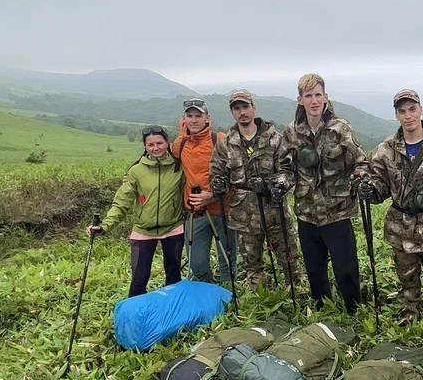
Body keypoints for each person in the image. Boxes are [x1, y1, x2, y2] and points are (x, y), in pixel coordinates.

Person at [356, 89, 423, 327]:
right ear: (396, 115)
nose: (408, 116)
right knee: (407, 280)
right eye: (402, 111)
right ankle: (410, 316)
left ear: (421, 110)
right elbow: (380, 188)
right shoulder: (386, 150)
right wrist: (368, 190)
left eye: (412, 109)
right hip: (401, 229)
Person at [280, 73, 366, 314]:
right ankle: (321, 310)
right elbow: (286, 168)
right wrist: (281, 182)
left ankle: (354, 310)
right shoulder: (292, 132)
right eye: (309, 96)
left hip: (337, 211)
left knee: (346, 267)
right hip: (306, 212)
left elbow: (360, 162)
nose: (314, 101)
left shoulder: (341, 128)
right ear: (300, 100)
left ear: (326, 97)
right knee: (315, 268)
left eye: (318, 95)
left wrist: (359, 177)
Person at [209, 90, 303, 292]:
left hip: (274, 210)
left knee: (289, 260)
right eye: (237, 108)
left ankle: (297, 296)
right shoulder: (225, 144)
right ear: (232, 112)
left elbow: (288, 171)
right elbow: (217, 172)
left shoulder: (275, 139)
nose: (242, 112)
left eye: (245, 107)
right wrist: (218, 184)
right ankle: (259, 301)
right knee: (252, 264)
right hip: (243, 214)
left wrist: (275, 185)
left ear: (254, 108)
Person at [87, 125, 186, 297]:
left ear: (167, 143)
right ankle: (134, 319)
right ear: (145, 146)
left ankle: (172, 318)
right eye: (151, 144)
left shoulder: (179, 167)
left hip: (173, 229)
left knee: (173, 276)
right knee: (139, 279)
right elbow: (121, 202)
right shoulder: (136, 171)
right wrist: (104, 226)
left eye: (159, 143)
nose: (156, 148)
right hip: (143, 231)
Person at [169, 98, 236, 284]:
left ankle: (228, 297)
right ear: (184, 118)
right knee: (196, 264)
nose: (194, 120)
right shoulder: (179, 144)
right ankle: (208, 293)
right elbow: (164, 166)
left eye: (198, 116)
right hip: (195, 213)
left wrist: (212, 195)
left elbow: (238, 175)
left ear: (207, 118)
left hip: (223, 210)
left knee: (227, 261)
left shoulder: (220, 140)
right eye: (190, 116)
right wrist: (132, 174)